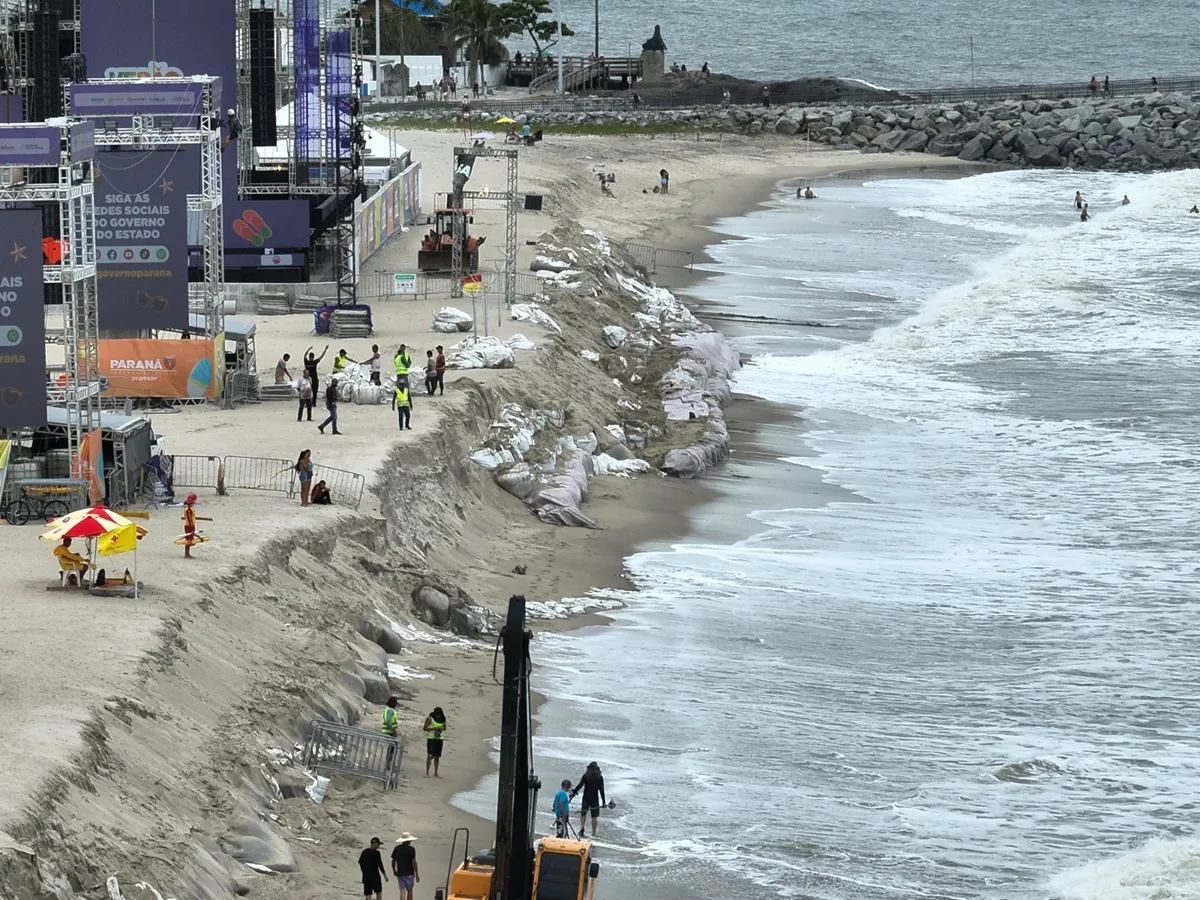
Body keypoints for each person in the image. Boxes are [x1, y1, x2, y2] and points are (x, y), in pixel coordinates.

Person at [570, 761, 606, 836]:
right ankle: (593, 833)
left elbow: (580, 785)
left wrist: (574, 791)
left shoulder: (586, 775)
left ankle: (582, 828)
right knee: (594, 816)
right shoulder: (599, 777)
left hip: (586, 797)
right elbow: (601, 790)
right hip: (594, 799)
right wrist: (604, 802)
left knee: (583, 814)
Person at [180, 493, 211, 559]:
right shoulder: (189, 509)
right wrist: (192, 528)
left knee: (189, 540)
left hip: (190, 525)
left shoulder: (189, 508)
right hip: (189, 526)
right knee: (189, 540)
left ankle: (187, 553)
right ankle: (187, 554)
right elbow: (190, 519)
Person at [391, 834, 419, 900]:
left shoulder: (397, 849)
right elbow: (413, 862)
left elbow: (393, 861)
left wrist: (394, 870)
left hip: (400, 873)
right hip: (410, 873)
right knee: (410, 890)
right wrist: (417, 874)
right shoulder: (411, 849)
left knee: (402, 891)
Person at [423, 706, 446, 777]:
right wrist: (433, 728)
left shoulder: (443, 719)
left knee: (437, 757)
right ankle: (427, 772)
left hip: (439, 739)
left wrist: (441, 728)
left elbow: (445, 728)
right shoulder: (430, 718)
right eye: (438, 714)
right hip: (431, 739)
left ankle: (436, 773)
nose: (439, 716)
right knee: (430, 756)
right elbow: (424, 728)